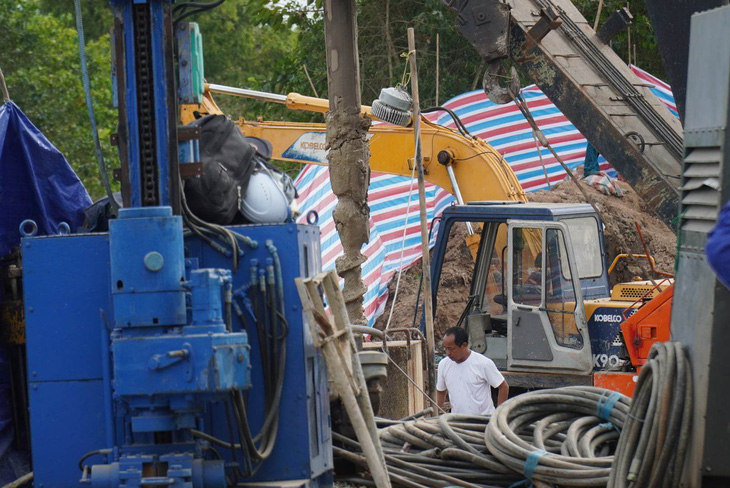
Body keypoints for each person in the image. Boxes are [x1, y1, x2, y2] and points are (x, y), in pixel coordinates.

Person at [436, 327, 509, 415]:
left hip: (482, 422)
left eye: (451, 349)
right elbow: (441, 392)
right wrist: (434, 414)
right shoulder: (443, 365)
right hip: (457, 422)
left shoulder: (483, 363)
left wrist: (498, 415)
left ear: (464, 345)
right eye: (445, 348)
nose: (448, 353)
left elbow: (503, 387)